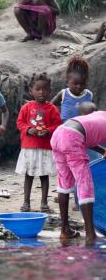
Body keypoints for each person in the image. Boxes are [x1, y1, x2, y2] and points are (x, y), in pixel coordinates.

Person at [51, 110, 106, 245]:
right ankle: (90, 234)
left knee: (64, 184)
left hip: (58, 134)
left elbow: (88, 136)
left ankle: (65, 230)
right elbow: (79, 135)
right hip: (73, 138)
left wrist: (103, 151)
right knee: (84, 184)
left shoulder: (99, 115)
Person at [15, 73, 61, 213]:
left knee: (44, 175)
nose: (41, 92)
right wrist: (28, 130)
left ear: (49, 90)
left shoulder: (52, 109)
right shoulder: (27, 108)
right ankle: (26, 202)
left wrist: (48, 131)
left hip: (45, 148)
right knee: (28, 175)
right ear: (31, 91)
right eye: (38, 89)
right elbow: (20, 123)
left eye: (45, 89)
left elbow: (57, 125)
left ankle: (44, 203)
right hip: (29, 147)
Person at [51, 55, 93, 122]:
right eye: (75, 84)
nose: (79, 86)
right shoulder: (64, 93)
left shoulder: (89, 95)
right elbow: (50, 106)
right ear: (67, 82)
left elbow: (93, 113)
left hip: (82, 129)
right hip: (65, 128)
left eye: (82, 84)